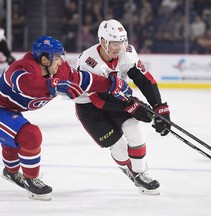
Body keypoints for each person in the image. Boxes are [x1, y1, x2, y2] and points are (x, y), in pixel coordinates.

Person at [0, 35, 131, 201]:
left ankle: (10, 172)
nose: (61, 62)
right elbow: (23, 83)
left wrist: (111, 84)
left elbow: (84, 80)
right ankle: (31, 179)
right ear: (44, 59)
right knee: (29, 134)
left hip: (10, 108)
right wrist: (52, 86)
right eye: (56, 58)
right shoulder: (22, 68)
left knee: (14, 131)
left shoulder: (60, 71)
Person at [76, 19, 171, 195]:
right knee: (118, 146)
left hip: (117, 99)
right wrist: (129, 106)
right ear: (103, 41)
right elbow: (97, 99)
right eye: (114, 42)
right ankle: (129, 169)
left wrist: (159, 107)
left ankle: (140, 173)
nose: (118, 47)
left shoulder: (126, 53)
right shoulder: (89, 62)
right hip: (89, 107)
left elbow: (144, 79)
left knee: (135, 130)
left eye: (121, 42)